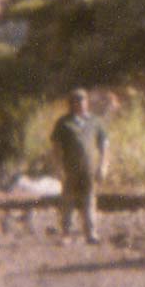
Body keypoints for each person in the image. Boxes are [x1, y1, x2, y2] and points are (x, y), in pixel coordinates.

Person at [50, 88, 109, 244]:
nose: (80, 103)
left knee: (89, 199)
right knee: (68, 200)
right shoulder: (63, 123)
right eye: (76, 100)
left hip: (89, 168)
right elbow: (55, 147)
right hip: (70, 168)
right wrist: (58, 168)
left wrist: (103, 165)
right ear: (71, 103)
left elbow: (104, 145)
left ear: (87, 102)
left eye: (83, 100)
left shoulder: (95, 122)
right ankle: (66, 233)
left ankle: (91, 233)